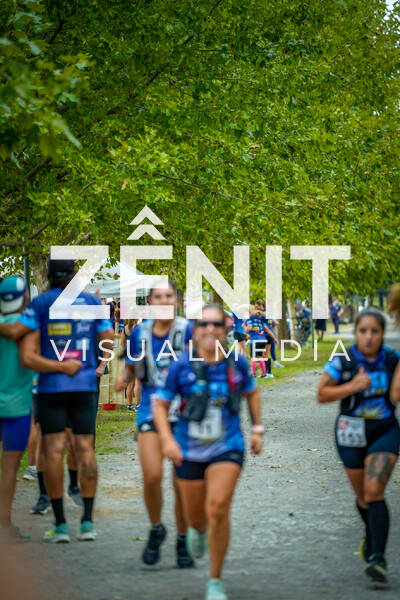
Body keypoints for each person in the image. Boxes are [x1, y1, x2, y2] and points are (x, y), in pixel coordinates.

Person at [153, 304, 263, 600]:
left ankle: (215, 579)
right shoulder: (181, 366)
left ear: (225, 330)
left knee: (218, 506)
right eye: (204, 324)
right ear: (195, 330)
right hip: (188, 449)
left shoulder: (236, 363)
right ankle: (198, 530)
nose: (210, 329)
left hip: (227, 445)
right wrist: (167, 440)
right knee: (196, 517)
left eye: (216, 324)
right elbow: (160, 404)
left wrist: (257, 429)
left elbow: (252, 391)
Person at [0, 259, 114, 543]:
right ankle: (87, 523)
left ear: (49, 276)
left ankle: (61, 525)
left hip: (51, 386)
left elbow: (17, 335)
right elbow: (108, 336)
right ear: (75, 274)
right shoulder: (91, 302)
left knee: (53, 451)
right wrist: (97, 362)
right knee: (85, 449)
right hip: (84, 384)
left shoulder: (41, 303)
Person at [317, 307, 400, 583]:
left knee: (374, 490)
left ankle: (378, 558)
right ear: (356, 333)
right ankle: (371, 534)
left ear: (382, 334)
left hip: (384, 431)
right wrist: (352, 386)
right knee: (364, 497)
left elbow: (396, 395)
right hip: (349, 434)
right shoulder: (344, 359)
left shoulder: (392, 359)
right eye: (363, 331)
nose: (369, 337)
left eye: (375, 331)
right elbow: (322, 394)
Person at [115, 281, 194, 568]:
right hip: (150, 409)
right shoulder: (140, 332)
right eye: (158, 296)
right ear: (150, 302)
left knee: (180, 482)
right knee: (152, 476)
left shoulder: (188, 330)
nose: (163, 300)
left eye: (168, 295)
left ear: (176, 299)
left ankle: (183, 539)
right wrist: (125, 378)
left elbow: (205, 363)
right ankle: (156, 527)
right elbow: (133, 365)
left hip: (183, 412)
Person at [0, 276, 34, 540]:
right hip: (18, 408)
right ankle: (4, 523)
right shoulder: (29, 327)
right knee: (10, 469)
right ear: (25, 298)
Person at [254, 299, 284, 368]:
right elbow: (275, 322)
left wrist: (269, 328)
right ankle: (272, 364)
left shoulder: (263, 313)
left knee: (265, 352)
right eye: (255, 307)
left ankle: (266, 367)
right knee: (268, 351)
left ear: (262, 305)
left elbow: (275, 322)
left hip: (265, 335)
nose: (256, 308)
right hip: (268, 334)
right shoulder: (265, 313)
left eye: (257, 306)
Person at [120, 319, 140, 411]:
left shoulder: (125, 328)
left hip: (129, 356)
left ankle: (129, 405)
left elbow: (122, 343)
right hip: (138, 356)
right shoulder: (138, 327)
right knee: (137, 382)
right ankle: (138, 404)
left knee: (130, 383)